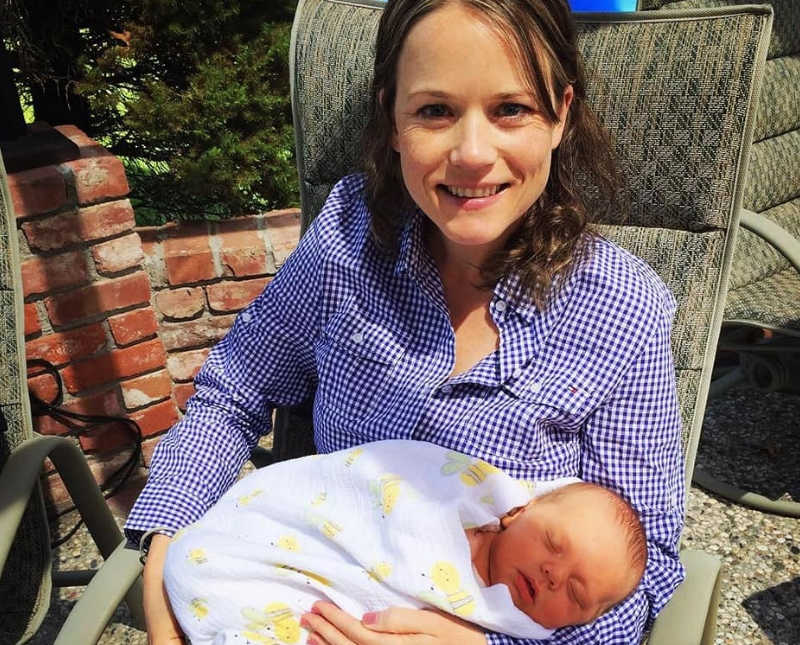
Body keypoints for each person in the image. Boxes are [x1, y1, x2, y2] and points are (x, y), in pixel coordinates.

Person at [125, 0, 686, 643]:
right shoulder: (346, 239)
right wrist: (165, 546)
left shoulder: (624, 309)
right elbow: (234, 393)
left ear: (560, 115)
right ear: (393, 120)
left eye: (511, 109)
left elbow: (647, 573)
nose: (473, 153)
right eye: (434, 111)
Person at [162, 440, 648, 644]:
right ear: (517, 510)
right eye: (553, 544)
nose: (553, 574)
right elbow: (226, 399)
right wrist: (161, 539)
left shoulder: (628, 312)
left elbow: (656, 577)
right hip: (290, 557)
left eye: (576, 595)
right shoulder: (460, 494)